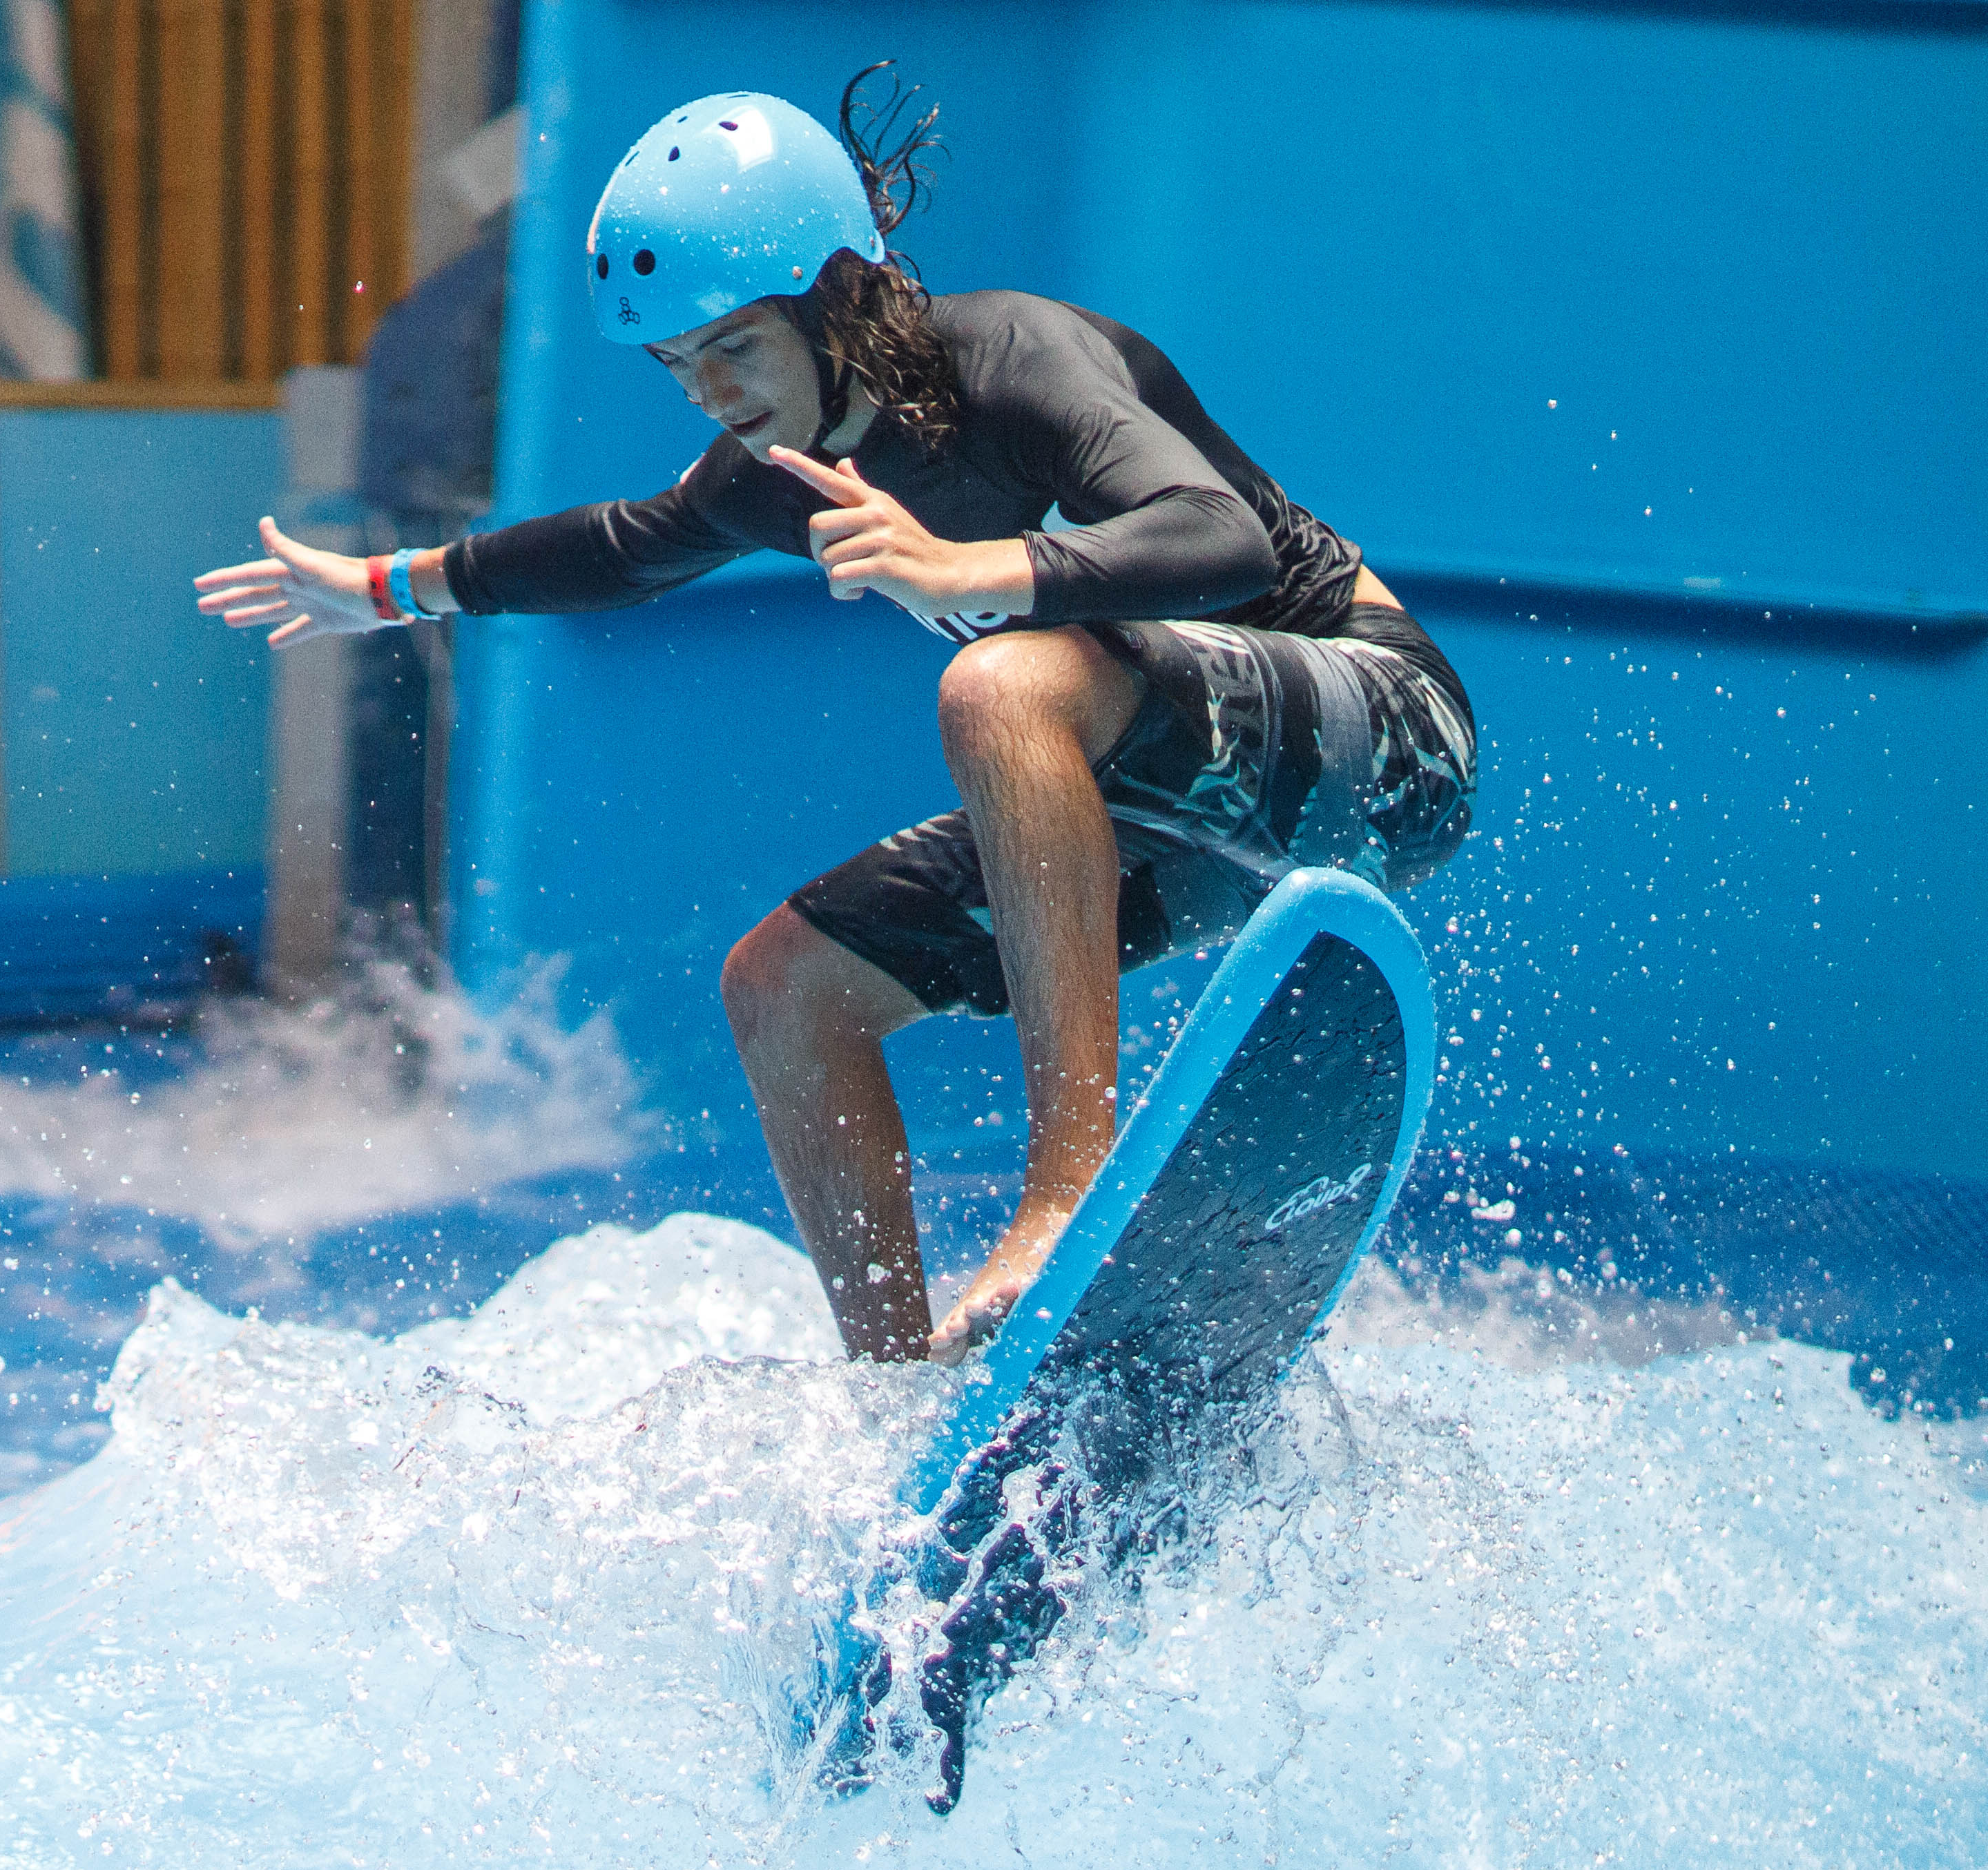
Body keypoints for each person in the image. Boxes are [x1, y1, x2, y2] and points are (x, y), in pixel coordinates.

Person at [195, 69, 1477, 1364]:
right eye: (679, 365)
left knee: (998, 685)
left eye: (733, 348)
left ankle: (1065, 1197)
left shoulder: (1018, 360)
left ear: (836, 294)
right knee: (784, 983)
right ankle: (903, 1388)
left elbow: (1223, 534)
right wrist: (388, 587)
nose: (709, 393)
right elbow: (626, 547)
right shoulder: (782, 474)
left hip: (1386, 738)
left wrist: (979, 571)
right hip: (1172, 831)